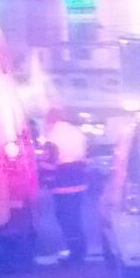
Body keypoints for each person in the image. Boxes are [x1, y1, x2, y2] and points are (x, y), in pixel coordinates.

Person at [42, 109, 89, 264]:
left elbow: (48, 163)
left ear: (51, 120)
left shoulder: (53, 137)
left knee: (65, 218)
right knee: (75, 217)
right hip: (79, 183)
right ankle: (81, 249)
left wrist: (45, 181)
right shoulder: (77, 133)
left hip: (62, 185)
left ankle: (75, 254)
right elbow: (85, 156)